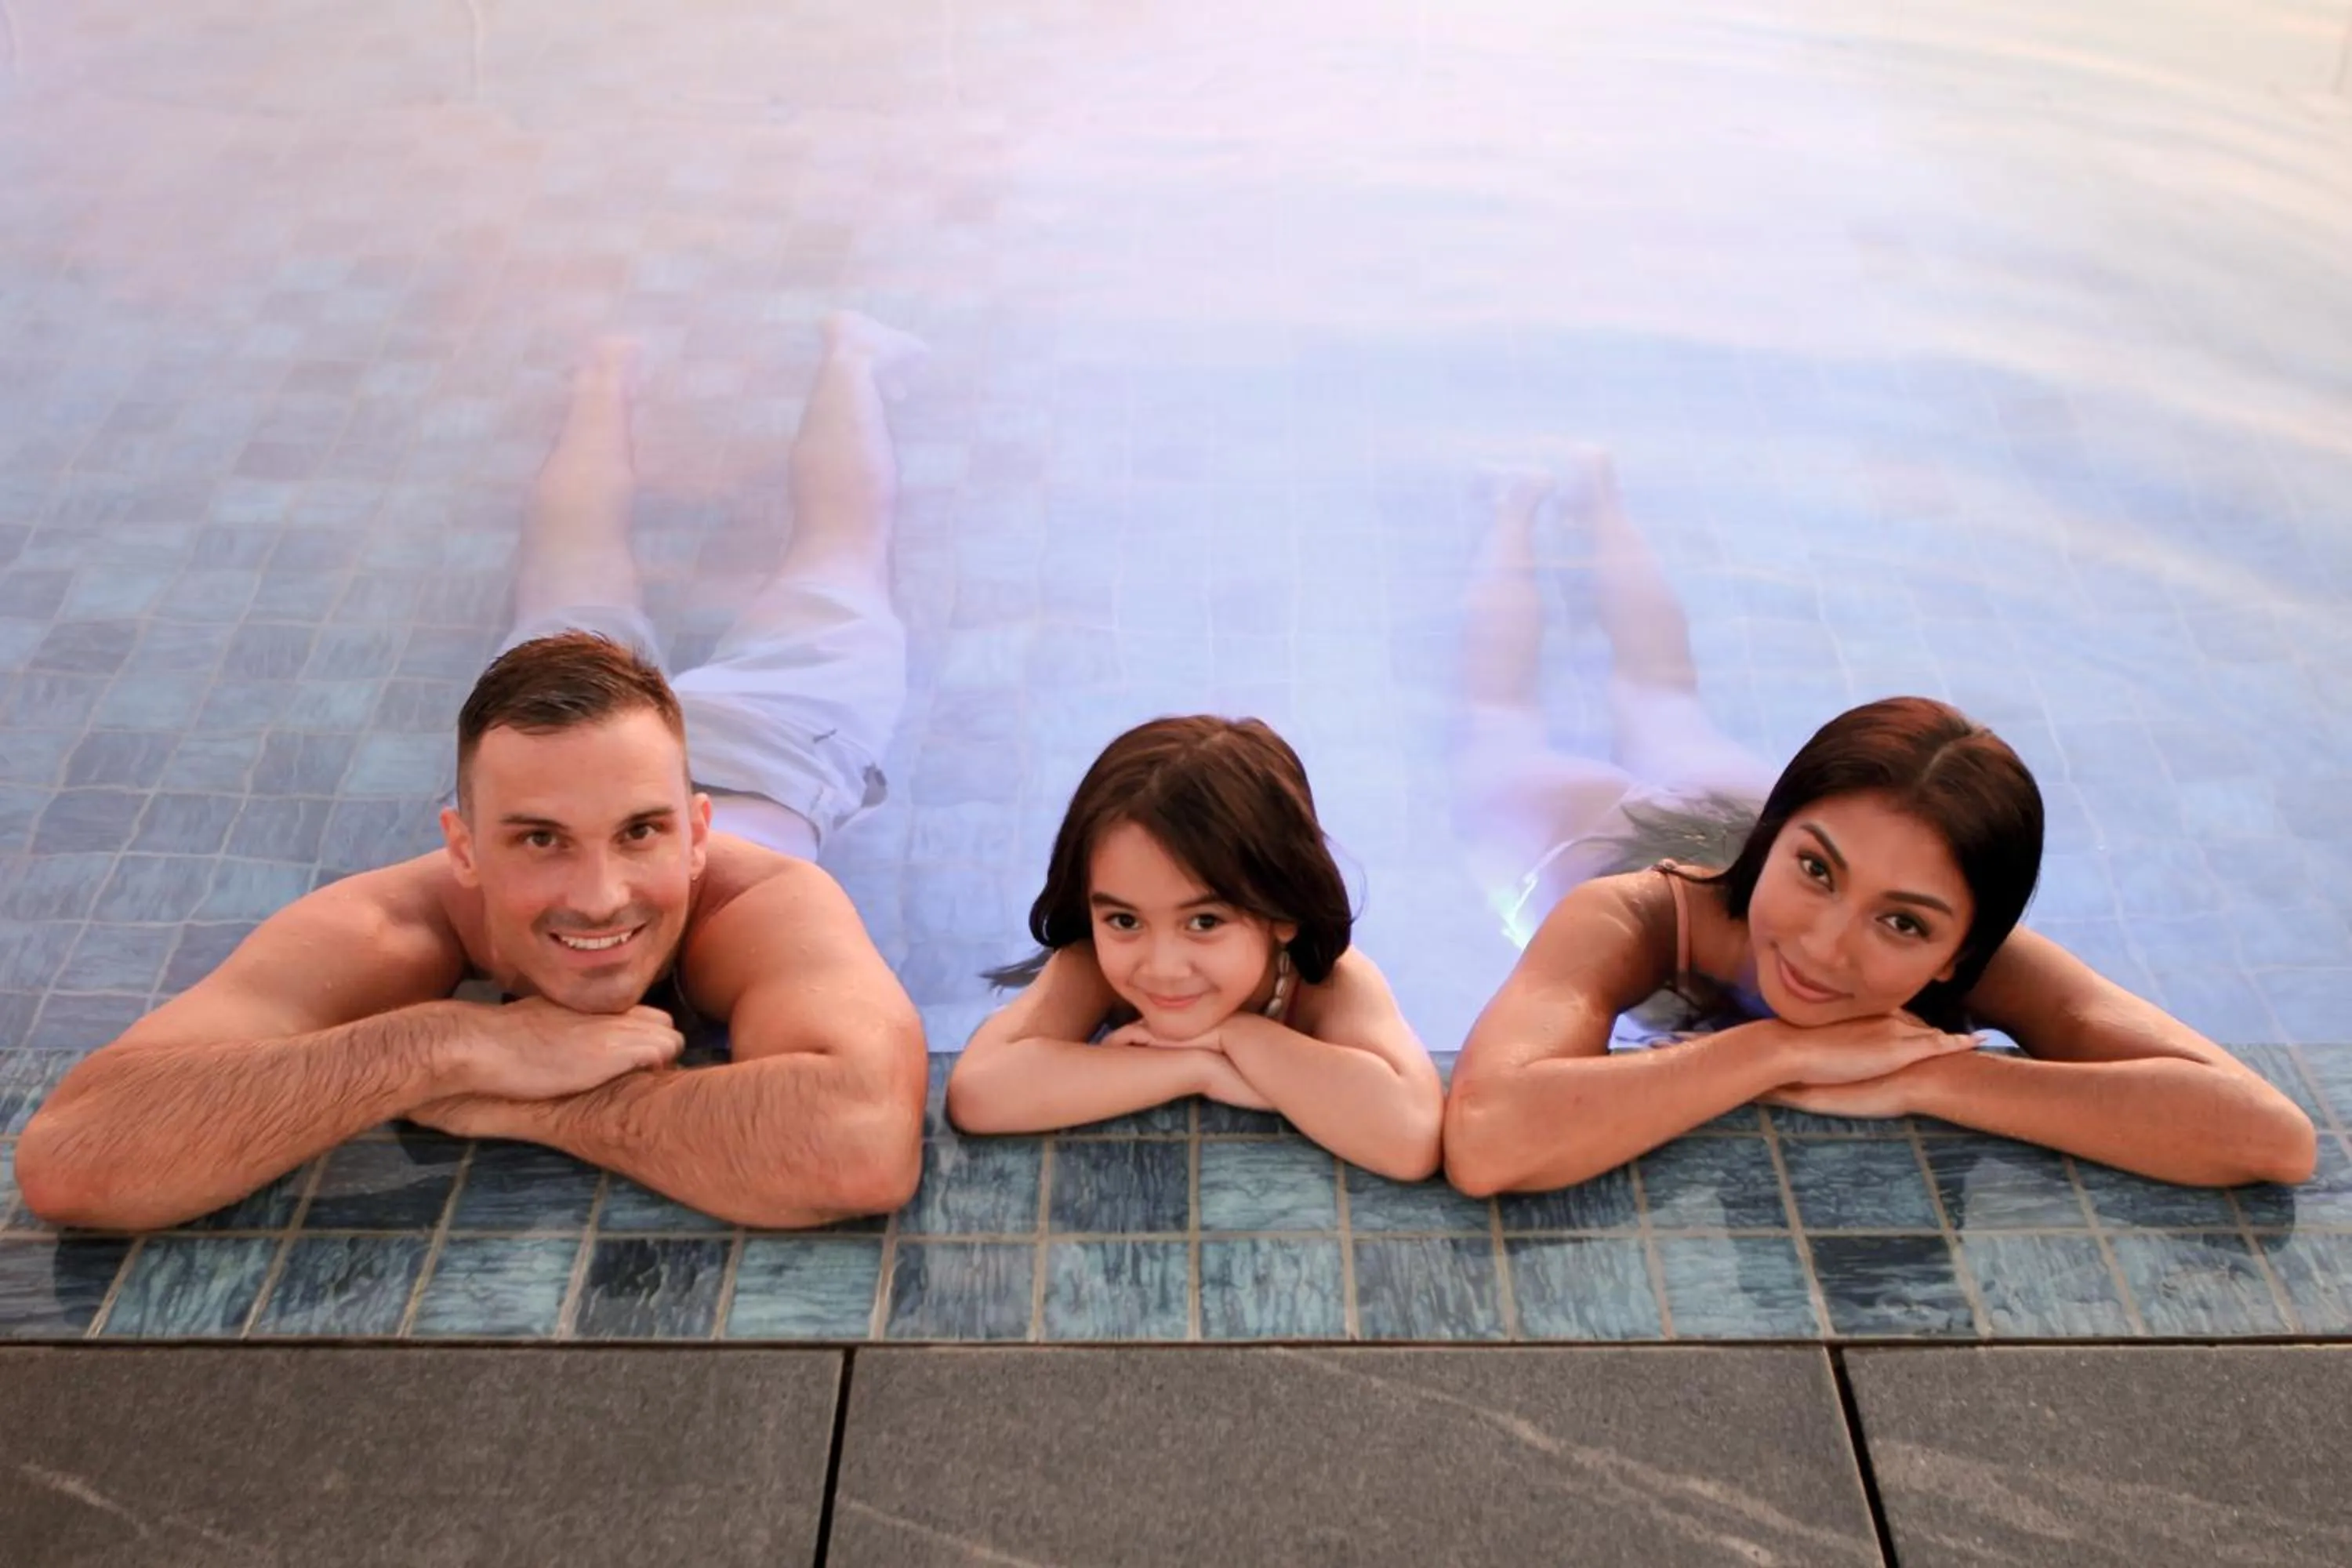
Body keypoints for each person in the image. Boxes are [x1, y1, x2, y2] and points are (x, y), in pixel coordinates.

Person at [13, 314, 932, 1231]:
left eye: (642, 834)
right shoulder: (394, 922)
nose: (601, 895)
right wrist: (445, 1040)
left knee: (839, 556)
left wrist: (542, 1104)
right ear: (461, 844)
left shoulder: (759, 901)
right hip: (583, 749)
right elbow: (72, 1160)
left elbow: (857, 1147)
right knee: (568, 576)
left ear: (696, 831)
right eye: (540, 839)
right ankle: (602, 372)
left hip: (775, 743)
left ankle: (847, 354)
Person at [1443, 449, 2318, 1195]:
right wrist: (1772, 1052)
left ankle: (1598, 501)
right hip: (1570, 835)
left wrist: (1938, 1077)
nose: (1827, 946)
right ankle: (1516, 511)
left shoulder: (1983, 954)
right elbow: (1488, 1140)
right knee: (1504, 712)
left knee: (1658, 691)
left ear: (1960, 953)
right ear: (1781, 829)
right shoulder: (1628, 916)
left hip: (1734, 807)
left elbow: (2270, 1135)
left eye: (1902, 921)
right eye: (1816, 869)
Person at [947, 716, 1443, 1180]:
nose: (1162, 968)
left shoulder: (1326, 985)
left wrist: (1238, 1035)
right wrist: (1199, 1069)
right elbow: (980, 1091)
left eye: (1204, 922)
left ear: (1284, 913)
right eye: (1124, 920)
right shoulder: (1090, 965)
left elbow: (1413, 1137)